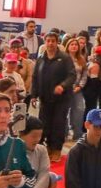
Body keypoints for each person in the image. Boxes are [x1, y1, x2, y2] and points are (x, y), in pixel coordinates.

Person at [32, 32, 76, 162]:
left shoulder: (65, 58)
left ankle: (56, 149)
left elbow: (72, 75)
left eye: (53, 41)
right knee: (45, 124)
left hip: (61, 99)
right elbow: (35, 77)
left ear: (57, 43)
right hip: (45, 98)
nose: (50, 43)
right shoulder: (40, 58)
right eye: (48, 41)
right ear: (45, 42)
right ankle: (47, 148)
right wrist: (34, 95)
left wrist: (62, 86)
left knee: (58, 124)